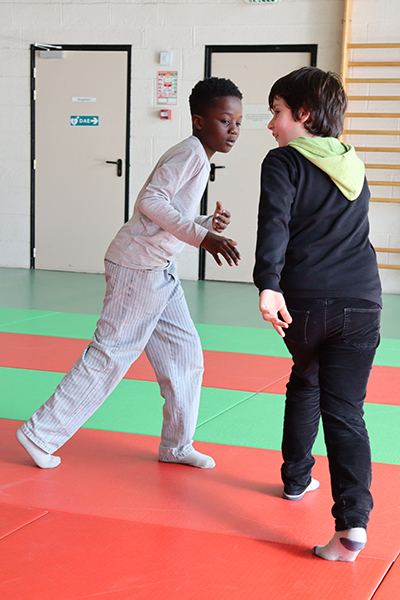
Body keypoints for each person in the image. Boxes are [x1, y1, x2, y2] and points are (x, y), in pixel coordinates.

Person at [17, 77, 243, 471]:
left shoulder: (198, 157)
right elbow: (150, 200)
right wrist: (202, 236)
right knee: (112, 353)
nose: (234, 130)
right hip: (137, 267)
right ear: (198, 120)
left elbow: (168, 216)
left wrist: (206, 223)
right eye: (225, 121)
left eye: (238, 122)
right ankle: (41, 434)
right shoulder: (191, 153)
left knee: (185, 355)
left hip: (160, 269)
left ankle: (176, 446)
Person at [253, 67, 381, 561]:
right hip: (362, 303)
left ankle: (296, 479)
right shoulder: (352, 162)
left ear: (303, 113)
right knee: (346, 411)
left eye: (277, 112)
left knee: (307, 378)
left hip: (306, 303)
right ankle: (352, 525)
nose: (272, 124)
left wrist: (268, 283)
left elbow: (275, 222)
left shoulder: (284, 160)